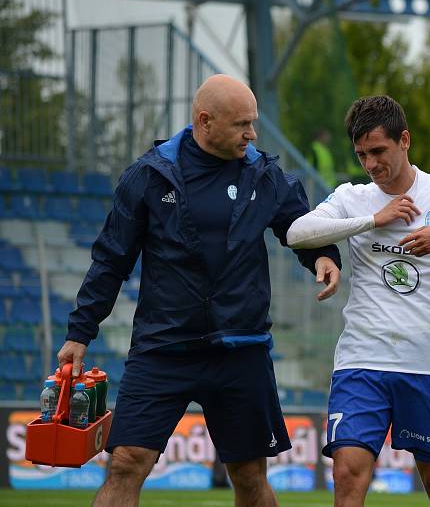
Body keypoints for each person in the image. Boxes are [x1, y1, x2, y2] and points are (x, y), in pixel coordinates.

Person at [57, 74, 342, 507]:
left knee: (249, 475)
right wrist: (80, 331)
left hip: (241, 350)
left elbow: (299, 227)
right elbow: (111, 258)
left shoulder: (263, 174)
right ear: (204, 121)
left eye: (254, 123)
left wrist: (323, 256)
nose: (252, 134)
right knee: (127, 461)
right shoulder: (149, 175)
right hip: (163, 347)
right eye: (241, 124)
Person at [286, 95, 430, 507]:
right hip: (362, 359)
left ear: (405, 140)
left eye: (378, 151)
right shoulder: (353, 198)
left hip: (428, 364)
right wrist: (372, 220)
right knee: (346, 473)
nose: (370, 164)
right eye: (361, 154)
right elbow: (297, 233)